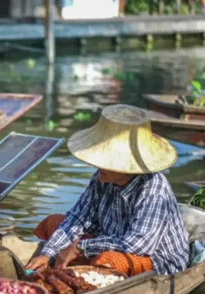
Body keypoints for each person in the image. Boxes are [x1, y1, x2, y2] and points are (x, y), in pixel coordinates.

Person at [26, 104, 189, 276]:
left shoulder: (154, 189)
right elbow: (78, 218)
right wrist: (48, 252)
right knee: (54, 222)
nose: (98, 165)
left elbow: (138, 245)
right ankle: (67, 264)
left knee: (109, 260)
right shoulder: (102, 177)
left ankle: (83, 268)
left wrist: (79, 247)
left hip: (156, 259)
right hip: (108, 240)